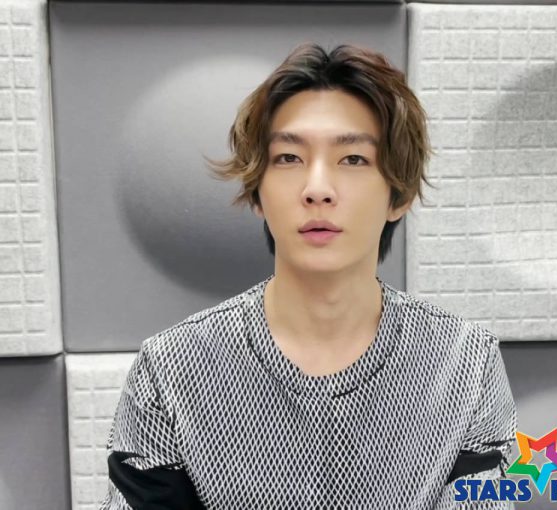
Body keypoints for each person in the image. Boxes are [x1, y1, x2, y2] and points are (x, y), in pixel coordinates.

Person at [99, 42, 517, 509]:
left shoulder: (466, 363)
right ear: (257, 193)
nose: (318, 189)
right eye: (288, 158)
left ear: (398, 196)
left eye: (353, 159)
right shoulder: (170, 370)